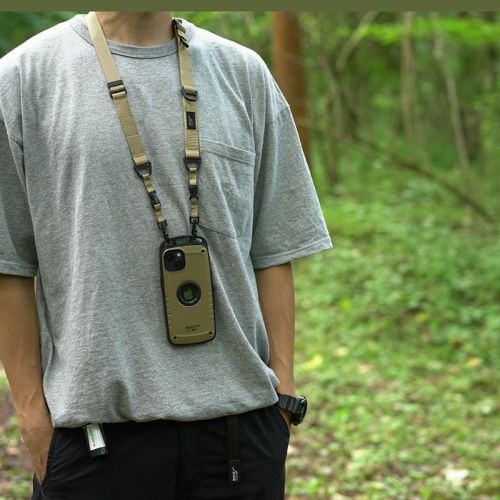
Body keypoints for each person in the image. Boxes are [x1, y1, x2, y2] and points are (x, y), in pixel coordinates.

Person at [0, 10, 333, 500]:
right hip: (95, 440)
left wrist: (281, 392)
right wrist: (32, 416)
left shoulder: (243, 72)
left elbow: (273, 250)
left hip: (240, 433)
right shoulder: (22, 78)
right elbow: (8, 264)